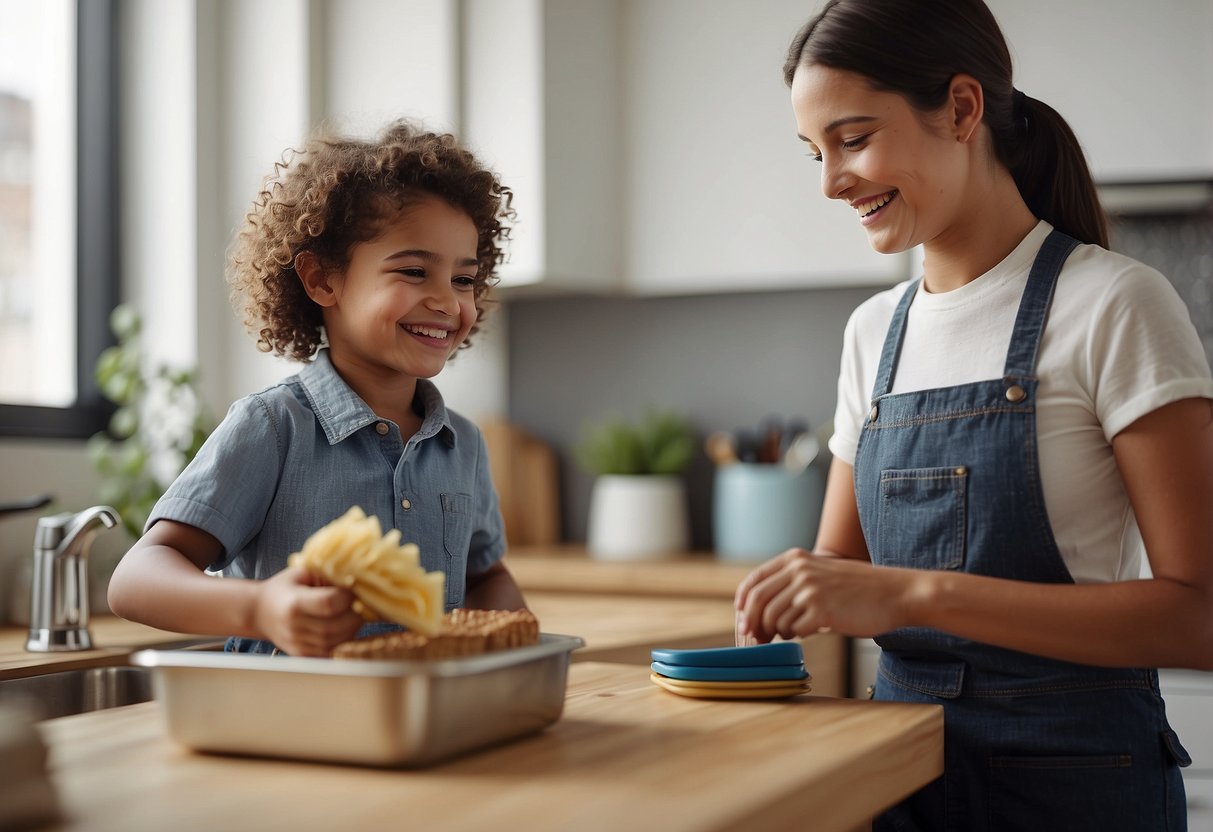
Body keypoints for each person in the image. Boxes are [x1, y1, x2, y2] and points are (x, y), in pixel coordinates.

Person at [732, 1, 1213, 828]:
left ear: (961, 108)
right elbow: (840, 580)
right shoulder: (871, 332)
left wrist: (915, 593)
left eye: (852, 139)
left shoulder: (1113, 304)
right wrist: (783, 603)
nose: (829, 180)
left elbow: (1198, 617)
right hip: (902, 780)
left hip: (1075, 786)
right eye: (815, 152)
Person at [108, 120, 526, 657]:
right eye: (415, 271)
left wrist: (518, 639)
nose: (448, 302)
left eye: (464, 279)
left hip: (426, 725)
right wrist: (259, 608)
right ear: (322, 280)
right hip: (290, 726)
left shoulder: (463, 444)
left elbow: (486, 576)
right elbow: (135, 579)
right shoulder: (272, 428)